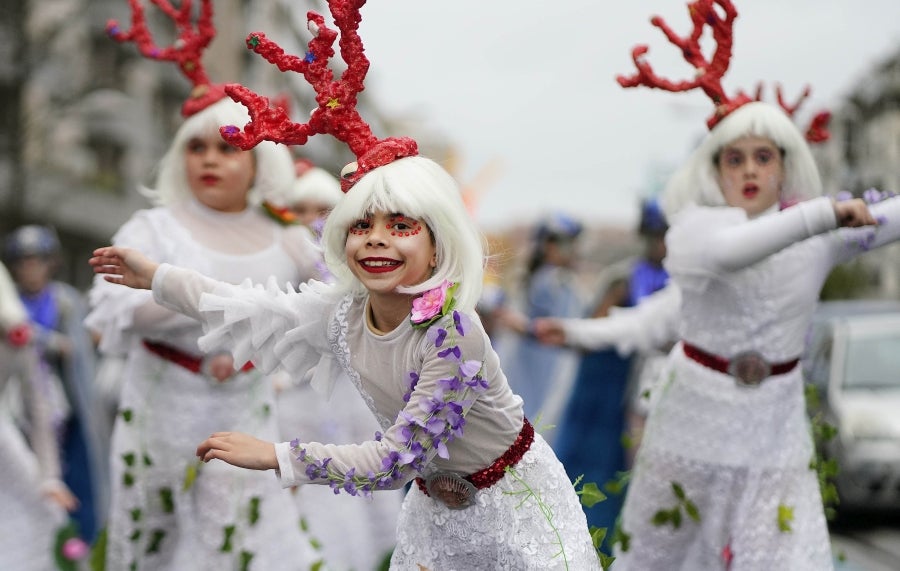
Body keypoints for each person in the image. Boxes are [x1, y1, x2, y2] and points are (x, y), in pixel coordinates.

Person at [88, 3, 601, 564]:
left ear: (437, 243)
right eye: (361, 224)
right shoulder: (344, 314)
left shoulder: (452, 333)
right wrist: (157, 277)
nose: (376, 240)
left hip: (515, 510)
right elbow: (256, 310)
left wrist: (277, 456)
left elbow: (395, 461)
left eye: (400, 226)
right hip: (434, 512)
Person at [604, 1, 899, 568]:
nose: (749, 171)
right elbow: (734, 251)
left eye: (764, 157)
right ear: (714, 170)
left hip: (776, 431)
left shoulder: (818, 234)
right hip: (693, 425)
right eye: (733, 159)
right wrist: (829, 213)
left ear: (785, 166)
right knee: (660, 553)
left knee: (780, 555)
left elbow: (889, 219)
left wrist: (836, 218)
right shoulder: (695, 231)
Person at [86, 3, 322, 567]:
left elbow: (326, 313)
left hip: (247, 408)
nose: (210, 159)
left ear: (256, 156)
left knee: (240, 543)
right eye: (197, 147)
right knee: (150, 540)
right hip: (160, 401)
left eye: (226, 146)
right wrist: (214, 303)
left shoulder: (289, 239)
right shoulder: (152, 227)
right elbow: (115, 313)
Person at [264, 158, 404, 570]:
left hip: (345, 399)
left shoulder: (352, 266)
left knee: (355, 478)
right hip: (288, 401)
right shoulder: (278, 257)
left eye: (318, 211)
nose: (309, 220)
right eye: (300, 210)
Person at [539, 199, 671, 539]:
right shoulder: (624, 278)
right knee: (587, 465)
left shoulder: (678, 281)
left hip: (632, 389)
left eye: (666, 235)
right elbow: (591, 334)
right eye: (655, 236)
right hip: (600, 386)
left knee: (620, 473)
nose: (661, 244)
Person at [3, 224, 102, 543]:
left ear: (51, 263)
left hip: (62, 400)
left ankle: (76, 543)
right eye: (24, 261)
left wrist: (41, 340)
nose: (30, 268)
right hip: (18, 402)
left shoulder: (64, 301)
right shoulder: (10, 300)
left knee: (75, 475)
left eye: (37, 260)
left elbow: (76, 350)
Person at [0, 259, 81, 570]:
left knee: (45, 510)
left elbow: (39, 405)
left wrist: (49, 477)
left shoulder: (17, 334)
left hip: (4, 431)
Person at [493, 212, 586, 430]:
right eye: (562, 244)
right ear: (547, 245)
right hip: (533, 364)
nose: (569, 251)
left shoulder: (557, 280)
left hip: (549, 363)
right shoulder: (551, 279)